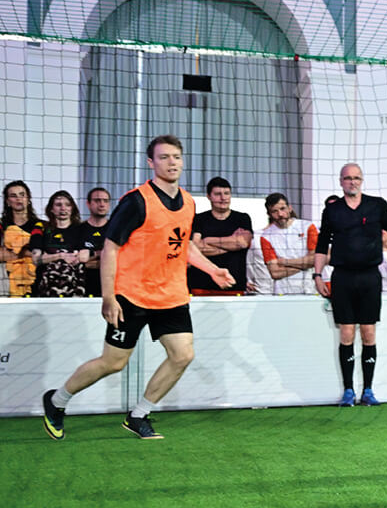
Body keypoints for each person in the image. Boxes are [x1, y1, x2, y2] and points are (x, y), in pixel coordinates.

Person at [40, 135, 235, 441]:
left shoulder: (188, 202)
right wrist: (109, 297)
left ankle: (139, 415)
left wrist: (212, 270)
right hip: (132, 295)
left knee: (182, 355)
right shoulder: (136, 201)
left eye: (176, 157)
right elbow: (110, 248)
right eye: (164, 157)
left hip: (171, 295)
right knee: (113, 363)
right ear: (151, 162)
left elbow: (182, 244)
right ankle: (57, 400)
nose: (171, 163)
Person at [313, 163, 387, 406]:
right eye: (347, 178)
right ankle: (348, 391)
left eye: (356, 178)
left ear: (362, 180)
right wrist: (318, 275)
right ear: (340, 181)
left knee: (368, 332)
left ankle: (369, 391)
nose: (352, 182)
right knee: (346, 333)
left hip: (369, 277)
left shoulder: (377, 205)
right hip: (342, 277)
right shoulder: (332, 210)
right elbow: (322, 243)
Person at [189, 177, 252, 295]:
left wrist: (207, 240)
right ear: (208, 196)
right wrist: (231, 245)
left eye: (226, 193)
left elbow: (242, 243)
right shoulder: (198, 219)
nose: (223, 198)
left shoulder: (242, 218)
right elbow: (195, 248)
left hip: (234, 284)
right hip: (201, 284)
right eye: (218, 194)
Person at [30, 190, 90, 297]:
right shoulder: (41, 227)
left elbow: (84, 257)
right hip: (45, 286)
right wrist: (61, 256)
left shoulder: (82, 228)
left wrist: (49, 257)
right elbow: (36, 259)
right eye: (58, 205)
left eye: (67, 205)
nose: (63, 208)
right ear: (51, 209)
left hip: (74, 286)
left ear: (72, 208)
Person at [259, 192, 318, 295]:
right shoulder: (266, 236)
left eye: (283, 209)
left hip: (309, 289)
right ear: (269, 214)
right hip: (282, 293)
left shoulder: (308, 227)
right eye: (274, 211)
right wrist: (305, 264)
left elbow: (315, 260)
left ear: (290, 208)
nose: (280, 214)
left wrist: (285, 262)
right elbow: (275, 273)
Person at [1, 180, 42, 296]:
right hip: (7, 281)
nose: (18, 199)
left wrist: (11, 253)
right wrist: (27, 253)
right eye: (13, 196)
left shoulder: (41, 225)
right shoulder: (2, 225)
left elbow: (43, 254)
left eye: (22, 195)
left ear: (28, 199)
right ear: (7, 202)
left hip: (36, 278)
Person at [82, 187, 112, 298]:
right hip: (84, 285)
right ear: (88, 204)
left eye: (105, 201)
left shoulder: (116, 229)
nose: (102, 204)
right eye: (97, 200)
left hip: (110, 286)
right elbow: (79, 261)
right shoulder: (78, 229)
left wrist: (90, 257)